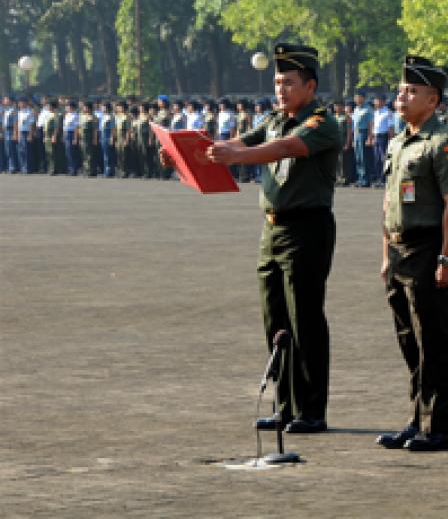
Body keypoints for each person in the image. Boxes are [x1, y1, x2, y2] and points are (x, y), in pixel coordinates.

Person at [164, 43, 341, 433]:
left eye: (289, 82)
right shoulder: (276, 118)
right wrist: (186, 154)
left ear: (310, 87)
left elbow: (284, 148)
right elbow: (238, 144)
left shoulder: (322, 123)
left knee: (305, 319)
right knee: (275, 318)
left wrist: (238, 157)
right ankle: (286, 404)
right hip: (273, 229)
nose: (280, 89)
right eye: (277, 82)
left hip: (306, 229)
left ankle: (312, 409)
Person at [375, 55, 448, 453]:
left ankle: (439, 427)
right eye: (401, 89)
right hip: (399, 250)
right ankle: (417, 418)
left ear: (432, 100)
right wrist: (385, 255)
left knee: (436, 340)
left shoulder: (444, 144)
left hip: (429, 248)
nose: (402, 95)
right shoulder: (399, 142)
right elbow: (388, 203)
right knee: (409, 340)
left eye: (412, 91)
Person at [351, 90, 374, 187]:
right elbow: (354, 125)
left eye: (358, 97)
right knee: (358, 158)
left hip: (364, 133)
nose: (356, 99)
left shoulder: (368, 109)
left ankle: (366, 179)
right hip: (357, 134)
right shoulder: (356, 109)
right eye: (355, 97)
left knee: (364, 158)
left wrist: (370, 137)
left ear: (363, 98)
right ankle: (360, 178)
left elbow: (370, 124)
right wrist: (353, 139)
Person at [372, 94, 394, 187]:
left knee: (384, 159)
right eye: (376, 100)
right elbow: (374, 126)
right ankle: (378, 179)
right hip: (377, 136)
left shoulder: (388, 113)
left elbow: (391, 128)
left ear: (384, 102)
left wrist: (391, 140)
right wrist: (373, 137)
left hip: (384, 137)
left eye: (379, 100)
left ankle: (385, 179)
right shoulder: (376, 112)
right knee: (376, 159)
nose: (376, 102)